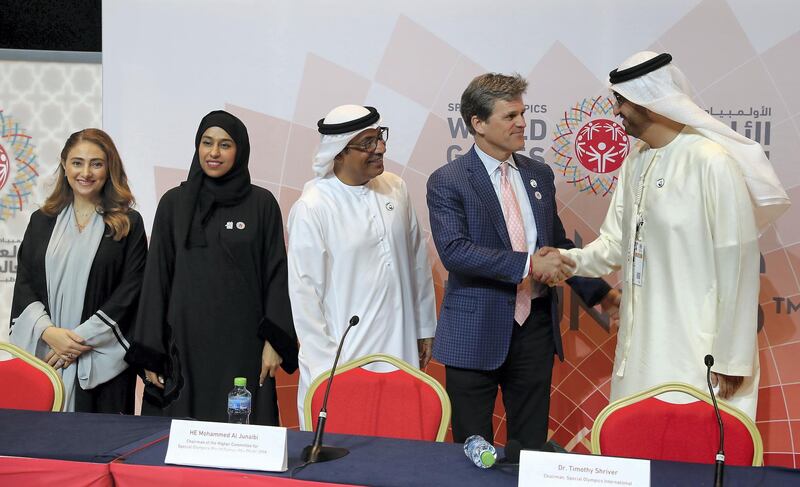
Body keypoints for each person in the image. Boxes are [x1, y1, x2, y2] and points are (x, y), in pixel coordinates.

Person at [557, 52, 790, 419]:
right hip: (639, 344)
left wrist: (732, 358)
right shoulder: (636, 159)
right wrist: (566, 260)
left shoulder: (711, 161)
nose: (616, 113)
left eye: (622, 102)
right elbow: (615, 244)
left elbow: (739, 267)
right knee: (636, 455)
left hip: (699, 354)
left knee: (690, 464)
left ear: (649, 101)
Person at [426, 74, 619, 449]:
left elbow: (557, 245)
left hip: (534, 330)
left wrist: (599, 294)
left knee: (530, 449)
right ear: (478, 123)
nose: (521, 123)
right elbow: (455, 251)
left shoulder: (538, 174)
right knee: (473, 451)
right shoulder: (448, 180)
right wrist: (529, 265)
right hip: (475, 332)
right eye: (509, 115)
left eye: (522, 113)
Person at [125, 110, 298, 424]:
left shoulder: (262, 204)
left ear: (240, 150)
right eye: (207, 143)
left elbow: (275, 274)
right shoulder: (173, 204)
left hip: (244, 346)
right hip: (184, 346)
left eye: (225, 144)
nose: (214, 152)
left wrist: (275, 341)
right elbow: (156, 280)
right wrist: (151, 350)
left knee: (243, 435)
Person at [287, 104, 437, 427]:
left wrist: (424, 327)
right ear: (338, 153)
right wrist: (329, 371)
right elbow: (305, 299)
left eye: (380, 137)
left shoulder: (395, 188)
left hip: (400, 349)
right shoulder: (313, 207)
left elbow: (417, 262)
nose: (380, 148)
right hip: (343, 362)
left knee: (401, 448)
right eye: (367, 142)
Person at [10, 128, 146, 413]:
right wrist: (50, 334)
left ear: (109, 168)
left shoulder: (128, 224)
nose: (86, 172)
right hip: (47, 360)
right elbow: (25, 283)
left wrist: (76, 341)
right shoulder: (41, 221)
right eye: (77, 162)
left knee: (100, 447)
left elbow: (131, 291)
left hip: (103, 367)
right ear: (64, 165)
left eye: (96, 163)